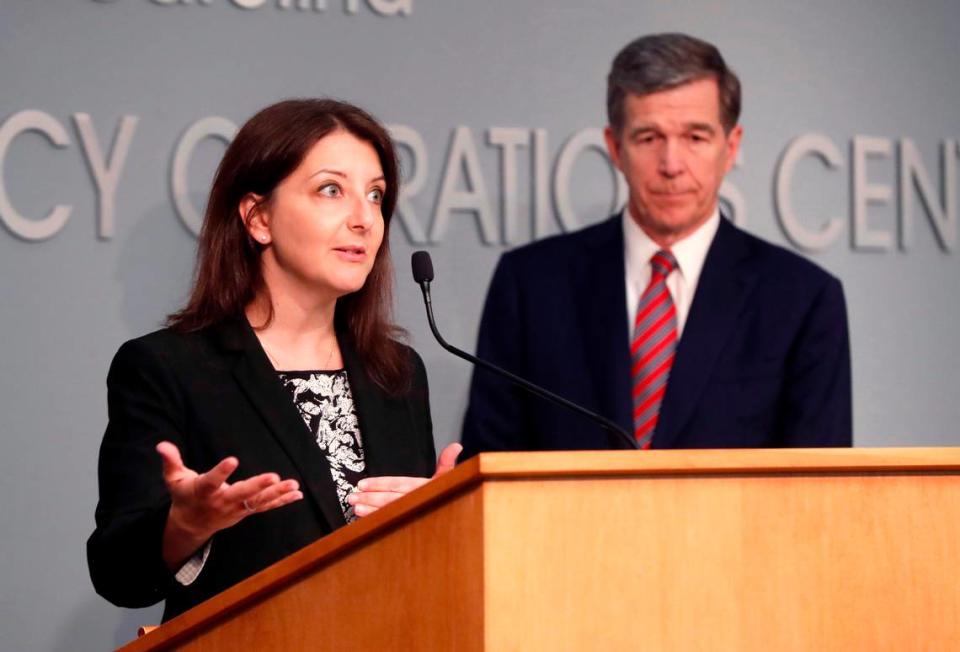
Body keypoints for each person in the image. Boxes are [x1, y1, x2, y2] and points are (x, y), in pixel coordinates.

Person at [87, 99, 460, 622]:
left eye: (375, 196)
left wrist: (446, 520)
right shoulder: (168, 367)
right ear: (258, 218)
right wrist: (186, 525)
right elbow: (117, 573)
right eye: (332, 190)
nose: (364, 219)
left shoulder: (395, 371)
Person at [461, 33, 852, 458]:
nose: (671, 165)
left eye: (696, 138)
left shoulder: (802, 299)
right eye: (648, 138)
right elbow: (489, 467)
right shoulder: (531, 285)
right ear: (615, 147)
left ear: (731, 146)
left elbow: (818, 491)